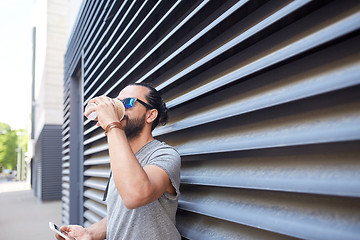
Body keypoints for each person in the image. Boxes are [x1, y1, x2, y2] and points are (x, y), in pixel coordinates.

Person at [55, 83, 181, 240]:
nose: (117, 108)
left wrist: (111, 124)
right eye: (117, 102)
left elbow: (135, 195)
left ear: (150, 115)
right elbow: (121, 215)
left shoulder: (165, 155)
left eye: (127, 102)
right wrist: (89, 233)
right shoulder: (121, 156)